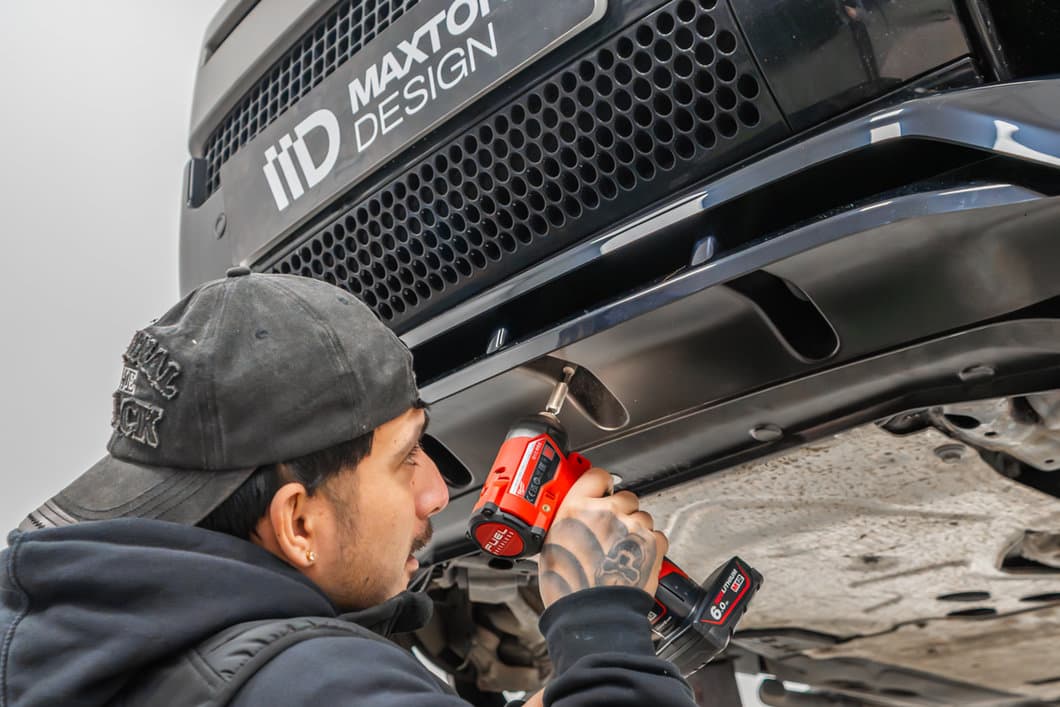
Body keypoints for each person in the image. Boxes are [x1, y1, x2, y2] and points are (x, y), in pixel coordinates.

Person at [0, 269, 695, 706]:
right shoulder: (317, 682)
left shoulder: (71, 648)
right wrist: (603, 636)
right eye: (406, 458)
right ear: (298, 522)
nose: (434, 495)